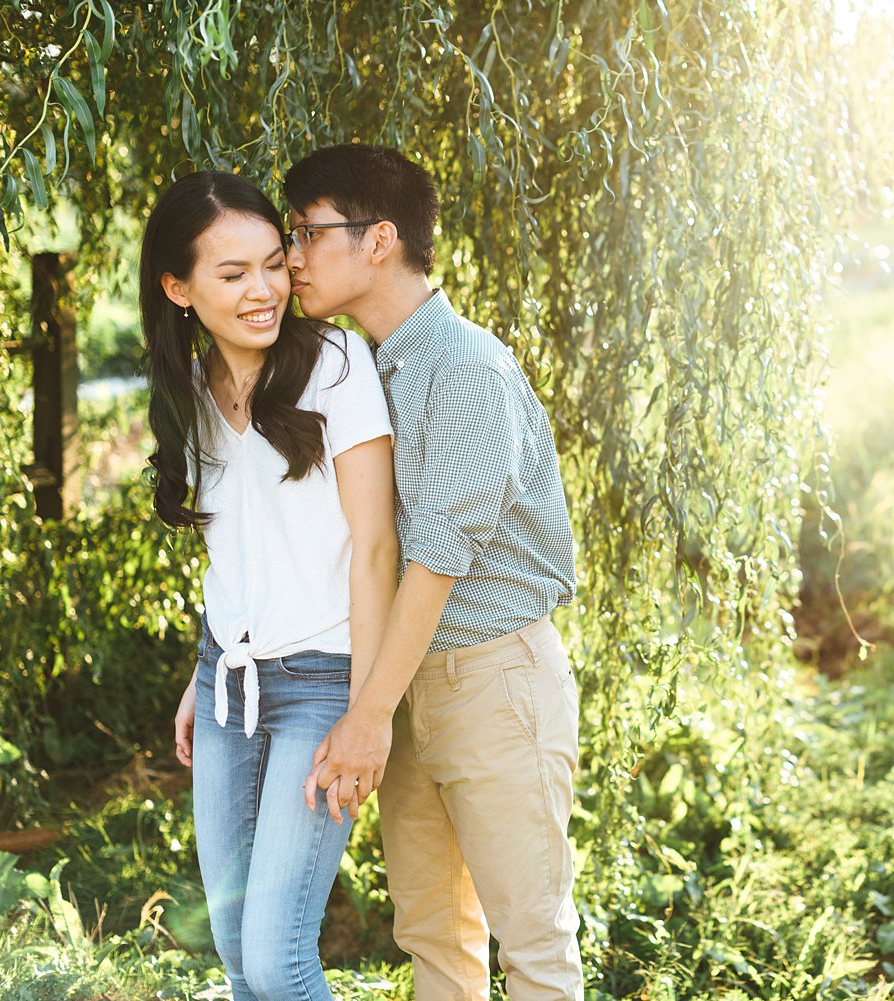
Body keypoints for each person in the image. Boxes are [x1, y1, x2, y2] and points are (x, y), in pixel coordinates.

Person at [283, 144, 582, 1001]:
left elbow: (436, 562)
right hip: (405, 684)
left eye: (308, 232)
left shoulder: (462, 367)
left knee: (532, 942)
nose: (292, 257)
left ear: (379, 239)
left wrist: (367, 714)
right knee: (432, 937)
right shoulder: (368, 368)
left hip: (491, 679)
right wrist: (379, 701)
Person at [143, 171, 398, 1001]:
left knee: (280, 960)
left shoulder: (334, 364)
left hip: (324, 682)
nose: (264, 290)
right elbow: (237, 547)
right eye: (231, 274)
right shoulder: (186, 391)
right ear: (178, 289)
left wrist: (367, 715)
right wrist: (202, 668)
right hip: (229, 686)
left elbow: (375, 550)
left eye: (272, 262)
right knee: (235, 950)